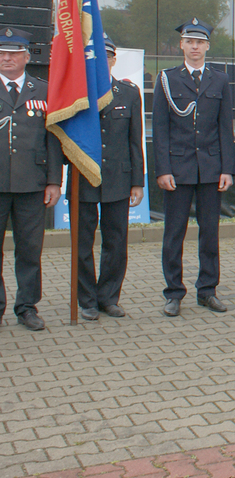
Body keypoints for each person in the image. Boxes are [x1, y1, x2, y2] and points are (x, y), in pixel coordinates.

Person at [153, 19, 234, 317]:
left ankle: (207, 290)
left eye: (200, 42)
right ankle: (174, 292)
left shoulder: (220, 80)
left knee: (209, 233)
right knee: (174, 233)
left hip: (211, 168)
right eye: (190, 41)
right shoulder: (167, 79)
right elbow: (160, 128)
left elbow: (225, 127)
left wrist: (227, 169)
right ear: (181, 45)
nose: (195, 47)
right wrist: (163, 169)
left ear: (208, 46)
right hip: (178, 168)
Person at [76, 35, 143, 321]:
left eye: (106, 56)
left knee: (116, 242)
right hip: (84, 177)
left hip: (118, 177)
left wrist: (137, 182)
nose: (100, 61)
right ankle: (87, 300)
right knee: (82, 243)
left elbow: (135, 141)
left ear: (114, 60)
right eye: (94, 56)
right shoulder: (76, 94)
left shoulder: (128, 93)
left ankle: (108, 297)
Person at [0, 27, 63, 331]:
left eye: (13, 53)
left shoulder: (44, 90)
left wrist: (54, 181)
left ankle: (27, 307)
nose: (6, 58)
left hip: (32, 184)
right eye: (2, 53)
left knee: (29, 250)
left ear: (27, 56)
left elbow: (54, 139)